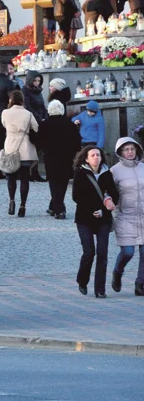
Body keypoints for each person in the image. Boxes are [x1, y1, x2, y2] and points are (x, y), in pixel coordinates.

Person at [73, 145, 120, 298]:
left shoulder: (107, 173)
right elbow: (77, 196)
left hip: (103, 219)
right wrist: (93, 209)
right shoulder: (80, 173)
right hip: (84, 218)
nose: (96, 158)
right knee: (89, 252)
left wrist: (105, 207)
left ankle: (100, 289)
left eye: (98, 155)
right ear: (86, 158)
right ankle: (82, 280)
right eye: (92, 155)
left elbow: (114, 195)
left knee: (102, 253)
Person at [110, 137, 144, 296]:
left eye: (132, 148)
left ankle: (140, 284)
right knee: (128, 251)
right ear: (120, 152)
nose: (130, 152)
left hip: (143, 215)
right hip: (125, 215)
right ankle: (117, 272)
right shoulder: (114, 171)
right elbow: (106, 192)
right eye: (126, 149)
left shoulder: (143, 168)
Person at [37, 100, 82, 220]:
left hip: (51, 158)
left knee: (54, 183)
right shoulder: (69, 124)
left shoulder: (45, 124)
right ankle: (54, 206)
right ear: (62, 110)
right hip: (67, 158)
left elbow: (39, 142)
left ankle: (59, 210)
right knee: (63, 183)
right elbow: (77, 142)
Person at [1, 90, 39, 217]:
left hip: (10, 146)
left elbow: (3, 124)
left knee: (10, 177)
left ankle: (11, 200)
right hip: (25, 147)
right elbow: (36, 127)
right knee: (24, 178)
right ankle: (23, 205)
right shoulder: (28, 114)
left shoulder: (5, 113)